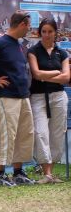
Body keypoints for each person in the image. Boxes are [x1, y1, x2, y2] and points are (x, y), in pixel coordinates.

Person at [0, 10, 35, 186]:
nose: (29, 30)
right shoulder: (0, 40)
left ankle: (18, 172)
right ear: (23, 24)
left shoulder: (17, 44)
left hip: (23, 95)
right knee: (5, 134)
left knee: (25, 134)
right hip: (6, 96)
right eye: (28, 27)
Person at [27, 18, 70, 184]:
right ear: (39, 33)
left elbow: (66, 77)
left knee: (57, 134)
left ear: (55, 33)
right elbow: (36, 74)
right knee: (41, 133)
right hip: (38, 97)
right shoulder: (33, 51)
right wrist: (56, 72)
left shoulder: (62, 53)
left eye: (50, 31)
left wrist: (47, 76)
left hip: (58, 97)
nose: (46, 35)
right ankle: (46, 173)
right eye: (43, 31)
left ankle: (51, 173)